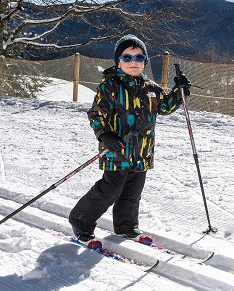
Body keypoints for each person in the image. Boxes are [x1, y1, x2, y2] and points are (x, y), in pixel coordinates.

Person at [69, 34, 191, 244]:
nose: (133, 62)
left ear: (145, 61)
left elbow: (165, 107)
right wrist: (105, 135)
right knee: (110, 191)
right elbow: (96, 114)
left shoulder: (151, 89)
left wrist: (180, 92)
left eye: (139, 57)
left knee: (132, 194)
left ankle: (126, 226)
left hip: (142, 152)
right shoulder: (110, 86)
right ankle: (81, 220)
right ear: (118, 61)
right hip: (117, 150)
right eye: (127, 57)